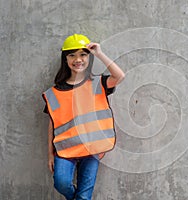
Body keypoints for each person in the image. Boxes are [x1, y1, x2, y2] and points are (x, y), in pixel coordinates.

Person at [42, 34, 125, 200]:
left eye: (83, 54)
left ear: (89, 57)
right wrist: (50, 154)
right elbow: (53, 124)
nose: (77, 59)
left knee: (84, 195)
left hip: (92, 149)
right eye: (72, 55)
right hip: (65, 150)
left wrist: (99, 53)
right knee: (61, 183)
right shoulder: (54, 93)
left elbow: (119, 76)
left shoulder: (97, 83)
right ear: (65, 59)